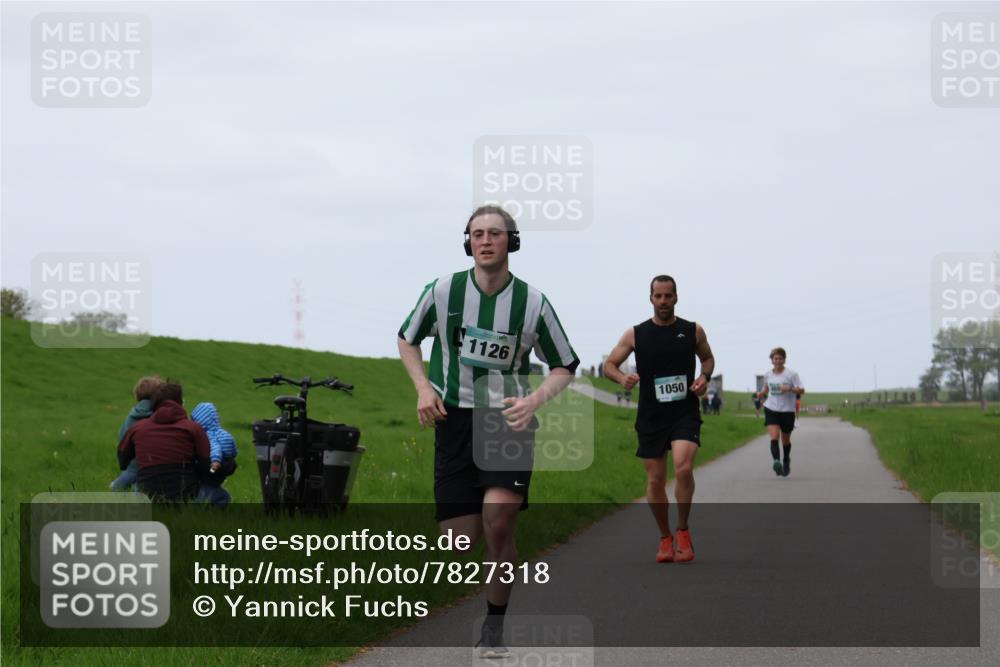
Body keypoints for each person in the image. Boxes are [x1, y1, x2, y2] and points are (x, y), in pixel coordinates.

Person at [398, 205, 579, 658]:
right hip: (454, 420)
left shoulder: (533, 302)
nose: (485, 241)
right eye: (477, 234)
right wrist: (423, 387)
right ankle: (494, 537)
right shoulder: (442, 291)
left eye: (495, 234)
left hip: (507, 421)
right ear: (468, 242)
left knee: (498, 521)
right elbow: (407, 337)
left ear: (511, 242)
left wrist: (535, 400)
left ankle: (493, 629)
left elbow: (565, 364)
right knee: (459, 542)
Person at [603, 275, 714, 564]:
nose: (663, 301)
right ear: (651, 298)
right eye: (658, 296)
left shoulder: (693, 330)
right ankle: (665, 538)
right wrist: (621, 377)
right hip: (651, 415)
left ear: (676, 297)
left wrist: (704, 378)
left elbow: (708, 359)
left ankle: (683, 531)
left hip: (684, 412)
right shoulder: (636, 334)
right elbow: (608, 365)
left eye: (668, 296)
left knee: (684, 467)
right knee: (655, 481)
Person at [117, 381, 220, 503]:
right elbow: (205, 465)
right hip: (185, 495)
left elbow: (123, 461)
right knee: (223, 496)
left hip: (147, 495)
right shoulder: (193, 428)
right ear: (181, 402)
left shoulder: (137, 428)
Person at [756, 347, 804, 477]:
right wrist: (761, 393)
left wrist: (789, 388)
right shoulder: (768, 374)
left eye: (780, 358)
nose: (777, 361)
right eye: (775, 358)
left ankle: (786, 459)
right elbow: (766, 388)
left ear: (784, 360)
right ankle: (776, 462)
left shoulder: (791, 374)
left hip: (787, 410)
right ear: (771, 360)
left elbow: (801, 390)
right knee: (774, 437)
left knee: (785, 440)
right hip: (771, 408)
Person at [111, 375, 165, 491]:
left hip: (131, 465)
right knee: (141, 488)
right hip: (151, 465)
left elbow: (122, 435)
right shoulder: (158, 414)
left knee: (118, 486)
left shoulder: (133, 414)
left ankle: (117, 486)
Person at [191, 402, 238, 506]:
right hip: (226, 462)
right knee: (216, 489)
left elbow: (215, 447)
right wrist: (232, 455)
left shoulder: (208, 434)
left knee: (208, 488)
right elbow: (234, 447)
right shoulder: (223, 433)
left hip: (214, 465)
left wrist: (215, 461)